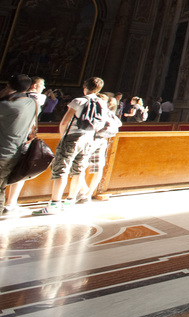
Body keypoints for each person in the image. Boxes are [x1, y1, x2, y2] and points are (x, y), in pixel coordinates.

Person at [35, 77, 106, 216]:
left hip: (73, 137)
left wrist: (63, 138)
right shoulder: (102, 103)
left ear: (85, 88)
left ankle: (55, 203)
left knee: (61, 168)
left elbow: (64, 122)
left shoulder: (78, 101)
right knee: (78, 169)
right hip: (89, 138)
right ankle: (70, 200)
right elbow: (102, 124)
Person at [1, 75, 39, 219]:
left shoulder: (7, 106)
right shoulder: (32, 103)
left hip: (3, 152)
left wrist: (4, 93)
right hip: (16, 151)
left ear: (9, 86)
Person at [73, 93, 121, 203]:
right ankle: (88, 194)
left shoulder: (97, 110)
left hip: (91, 139)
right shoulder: (109, 112)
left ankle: (83, 190)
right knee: (97, 168)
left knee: (79, 165)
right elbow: (119, 123)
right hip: (102, 140)